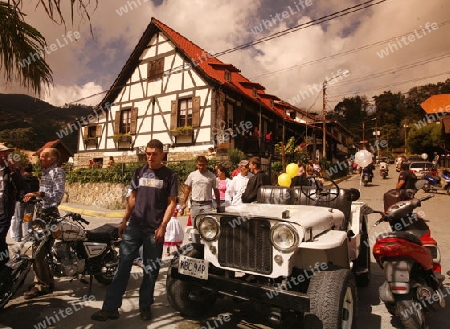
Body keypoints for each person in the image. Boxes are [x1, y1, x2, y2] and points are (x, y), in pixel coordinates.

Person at [92, 139, 177, 322]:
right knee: (122, 266)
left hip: (154, 230)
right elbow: (133, 197)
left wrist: (163, 226)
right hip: (135, 226)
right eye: (148, 153)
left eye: (154, 153)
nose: (150, 157)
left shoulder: (170, 175)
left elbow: (172, 202)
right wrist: (124, 220)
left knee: (150, 269)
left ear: (162, 154)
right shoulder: (140, 172)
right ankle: (110, 308)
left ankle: (145, 305)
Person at [23, 148, 65, 299]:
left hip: (50, 215)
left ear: (53, 159)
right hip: (41, 213)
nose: (40, 160)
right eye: (40, 157)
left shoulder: (57, 172)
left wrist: (39, 194)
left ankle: (42, 284)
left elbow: (58, 196)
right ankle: (45, 281)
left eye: (44, 157)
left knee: (38, 250)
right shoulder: (45, 172)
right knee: (40, 249)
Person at [0, 145, 24, 281]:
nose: (5, 156)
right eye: (2, 153)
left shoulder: (11, 170)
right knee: (1, 242)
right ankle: (5, 267)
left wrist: (14, 171)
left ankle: (5, 267)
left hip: (4, 213)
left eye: (6, 154)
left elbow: (22, 186)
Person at [181, 156, 220, 221]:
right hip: (195, 204)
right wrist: (184, 203)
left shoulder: (212, 176)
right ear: (196, 164)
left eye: (203, 165)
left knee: (208, 225)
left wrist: (218, 204)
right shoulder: (192, 175)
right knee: (195, 225)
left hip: (207, 205)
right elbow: (187, 189)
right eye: (199, 165)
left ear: (206, 164)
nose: (201, 167)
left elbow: (216, 191)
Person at [13, 164, 39, 242]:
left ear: (24, 170)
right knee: (28, 219)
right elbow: (37, 189)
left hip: (21, 200)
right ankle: (27, 237)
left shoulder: (20, 178)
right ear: (32, 171)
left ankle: (18, 237)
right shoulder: (35, 179)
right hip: (31, 201)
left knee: (19, 219)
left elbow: (16, 189)